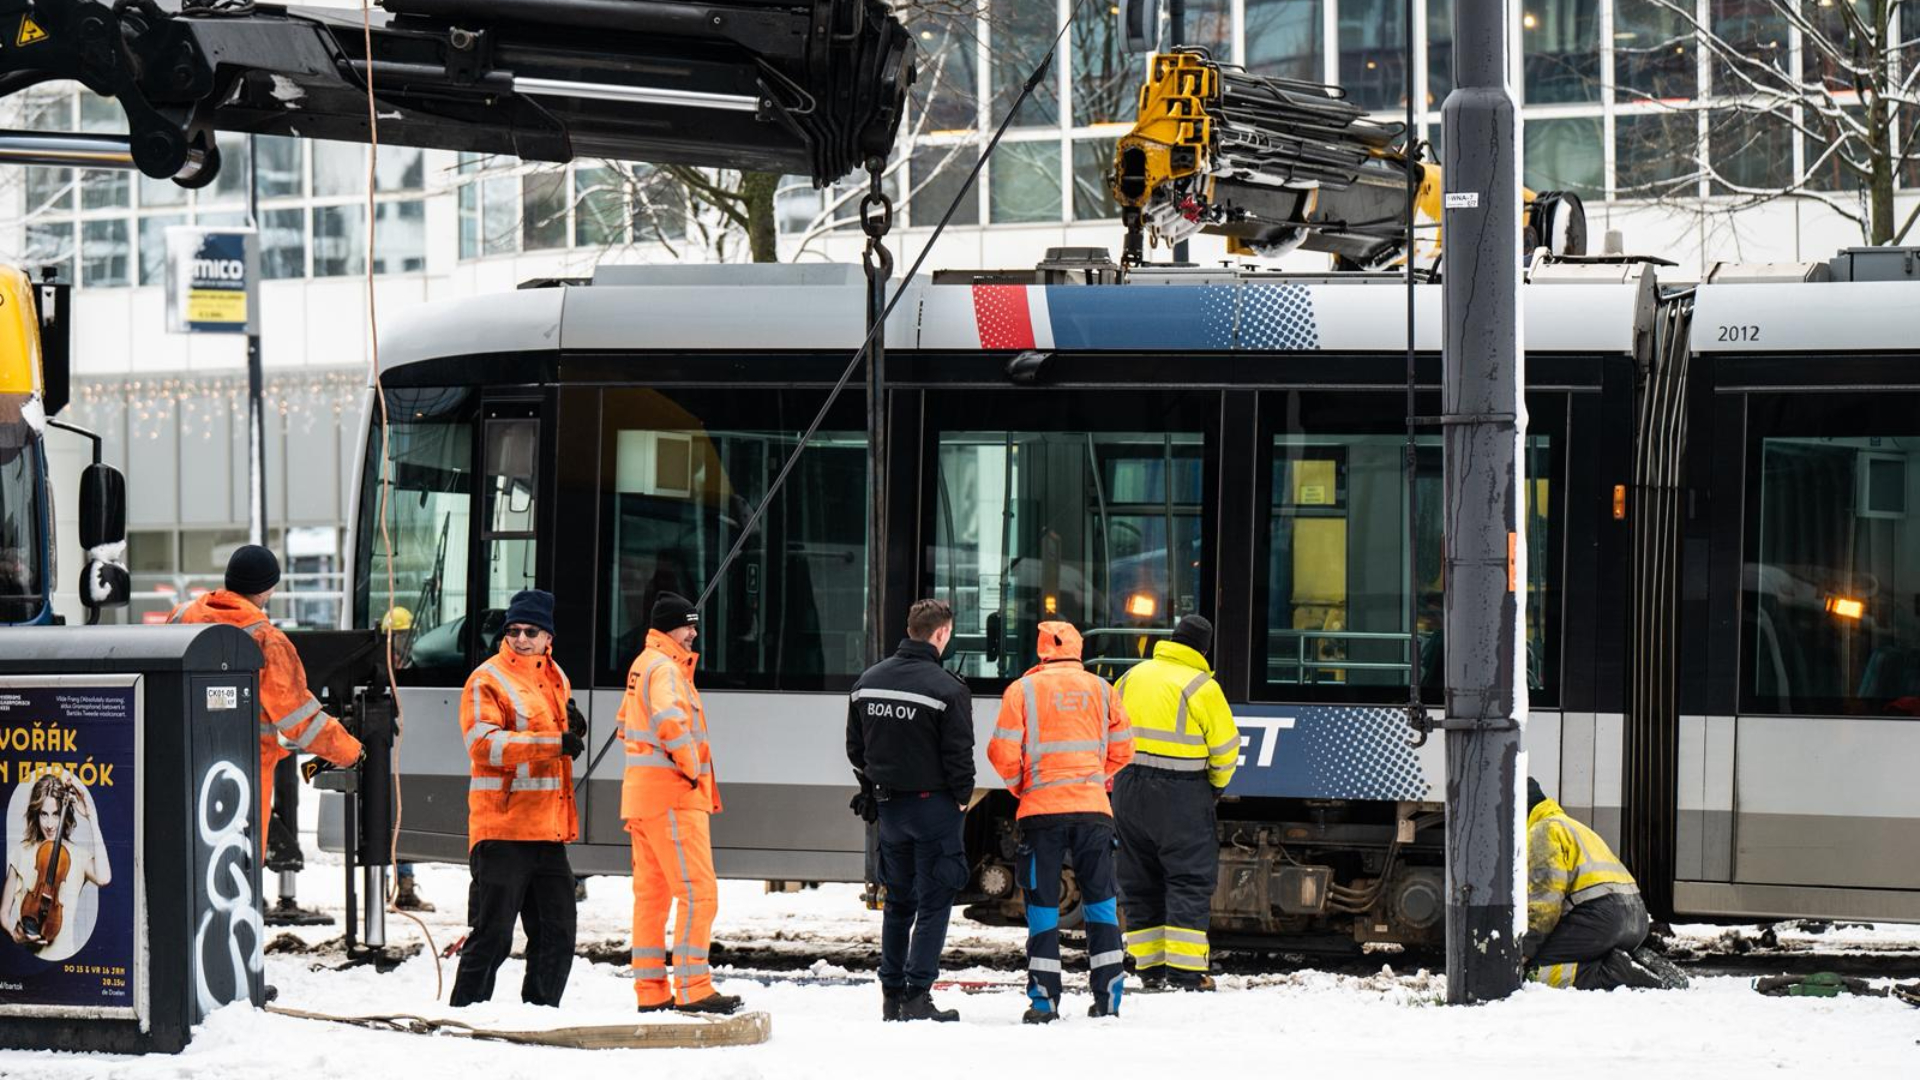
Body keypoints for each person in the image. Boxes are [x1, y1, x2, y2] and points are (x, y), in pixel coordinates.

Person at [170, 544, 362, 852]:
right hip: (243, 773)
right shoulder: (266, 639)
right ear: (268, 588)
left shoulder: (181, 616)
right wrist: (350, 750)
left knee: (187, 861)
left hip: (181, 765)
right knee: (235, 867)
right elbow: (299, 720)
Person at [987, 621, 1133, 1023]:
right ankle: (1108, 999)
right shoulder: (1103, 690)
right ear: (1078, 649)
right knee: (1102, 904)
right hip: (1093, 811)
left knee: (1043, 907)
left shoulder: (1023, 690)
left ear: (1042, 650)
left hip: (1041, 812)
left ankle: (1044, 1002)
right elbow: (1124, 749)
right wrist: (1092, 777)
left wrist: (1023, 786)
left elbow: (1001, 752)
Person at [448, 589, 586, 1007]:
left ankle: (540, 1013)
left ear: (548, 637)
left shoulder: (556, 676)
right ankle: (465, 1013)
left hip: (547, 831)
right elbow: (483, 744)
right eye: (513, 630)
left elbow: (557, 739)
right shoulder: (487, 679)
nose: (521, 638)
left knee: (558, 932)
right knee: (492, 935)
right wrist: (553, 742)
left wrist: (571, 726)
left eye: (531, 631)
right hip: (502, 831)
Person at [847, 598, 974, 1023]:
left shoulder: (868, 681)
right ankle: (918, 996)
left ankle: (891, 995)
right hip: (934, 808)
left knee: (898, 902)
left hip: (890, 810)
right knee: (935, 901)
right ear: (941, 634)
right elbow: (959, 754)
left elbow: (855, 748)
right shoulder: (948, 689)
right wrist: (961, 795)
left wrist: (873, 787)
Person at [619, 592, 742, 1015]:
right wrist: (691, 768)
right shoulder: (666, 669)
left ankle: (651, 992)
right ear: (670, 627)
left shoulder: (643, 665)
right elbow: (669, 722)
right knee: (699, 893)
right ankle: (694, 988)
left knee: (652, 898)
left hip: (643, 797)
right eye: (688, 625)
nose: (693, 633)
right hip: (673, 796)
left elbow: (624, 725)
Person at [1112, 614, 1239, 992]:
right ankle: (1185, 973)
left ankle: (1149, 968)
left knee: (1139, 879)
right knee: (1187, 878)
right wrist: (1215, 785)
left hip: (1128, 788)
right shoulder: (1201, 685)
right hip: (1181, 793)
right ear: (1203, 648)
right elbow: (1226, 749)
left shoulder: (1132, 676)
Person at [1524, 776, 1681, 989]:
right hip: (1635, 918)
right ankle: (1634, 960)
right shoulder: (1573, 826)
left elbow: (1545, 905)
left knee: (1533, 972)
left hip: (1603, 919)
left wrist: (1524, 950)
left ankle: (1617, 973)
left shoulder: (1541, 831)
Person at [2, 774, 109, 962]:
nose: (50, 824)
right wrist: (14, 932)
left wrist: (92, 817)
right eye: (44, 814)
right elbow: (3, 913)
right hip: (26, 959)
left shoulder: (77, 855)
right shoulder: (21, 851)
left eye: (56, 814)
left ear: (64, 814)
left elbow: (104, 878)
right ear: (36, 813)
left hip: (65, 957)